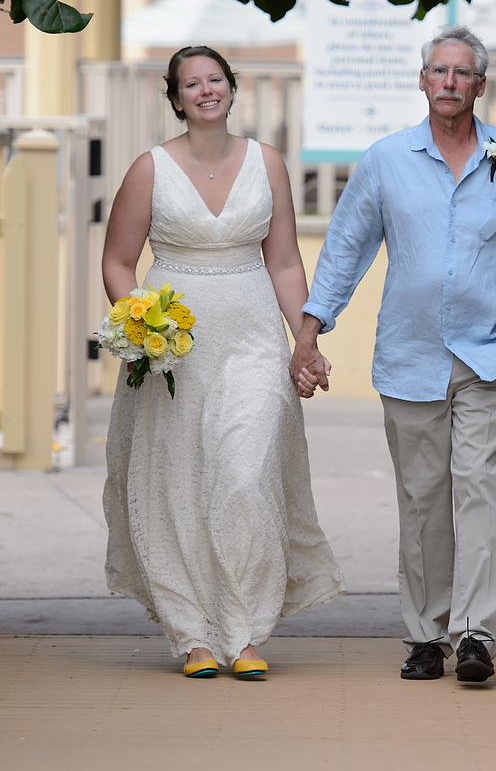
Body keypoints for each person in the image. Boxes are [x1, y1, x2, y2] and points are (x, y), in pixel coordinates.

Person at [292, 26, 496, 683]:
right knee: (423, 498)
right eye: (439, 70)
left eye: (462, 73)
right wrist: (311, 328)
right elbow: (346, 245)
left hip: (490, 354)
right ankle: (427, 635)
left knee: (480, 486)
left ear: (480, 85)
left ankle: (478, 635)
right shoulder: (386, 159)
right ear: (422, 80)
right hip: (410, 356)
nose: (449, 82)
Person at [101, 46, 345, 679]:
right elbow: (118, 261)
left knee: (244, 475)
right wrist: (141, 324)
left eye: (216, 79)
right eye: (192, 84)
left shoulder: (268, 162)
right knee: (180, 485)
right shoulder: (149, 169)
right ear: (176, 99)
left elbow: (284, 261)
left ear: (231, 90)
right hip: (174, 350)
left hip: (254, 340)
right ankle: (194, 635)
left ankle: (244, 629)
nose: (206, 90)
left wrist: (306, 340)